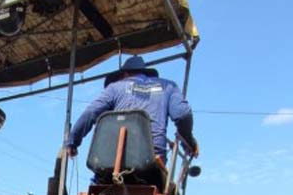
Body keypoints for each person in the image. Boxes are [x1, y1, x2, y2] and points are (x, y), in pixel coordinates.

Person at [65, 55, 198, 163]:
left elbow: (91, 113)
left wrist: (72, 143)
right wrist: (188, 142)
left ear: (125, 74)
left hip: (111, 160)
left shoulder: (114, 88)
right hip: (152, 159)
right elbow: (183, 115)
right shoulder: (168, 86)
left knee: (100, 177)